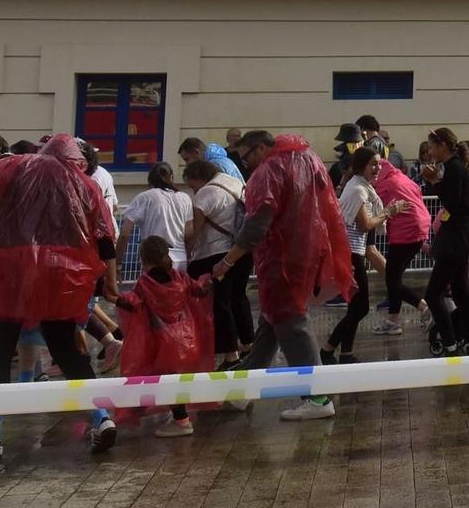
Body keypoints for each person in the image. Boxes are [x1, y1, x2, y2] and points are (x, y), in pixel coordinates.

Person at [0, 134, 117, 460]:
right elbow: (104, 238)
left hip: (8, 274)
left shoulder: (11, 171)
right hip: (60, 276)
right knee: (67, 350)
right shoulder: (84, 185)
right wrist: (111, 281)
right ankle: (101, 417)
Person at [212, 129, 353, 421]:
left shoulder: (270, 170)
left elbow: (258, 223)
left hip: (282, 260)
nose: (246, 164)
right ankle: (244, 390)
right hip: (305, 253)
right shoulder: (306, 158)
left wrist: (227, 262)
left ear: (261, 148)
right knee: (271, 324)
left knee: (292, 324)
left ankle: (317, 397)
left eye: (246, 156)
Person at [114, 234, 213, 438]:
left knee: (161, 379)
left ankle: (181, 421)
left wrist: (113, 296)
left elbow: (133, 303)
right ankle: (140, 408)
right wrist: (212, 277)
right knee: (172, 380)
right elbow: (201, 290)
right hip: (188, 341)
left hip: (163, 345)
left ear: (143, 260)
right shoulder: (180, 278)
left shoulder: (145, 283)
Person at [182, 158, 252, 367]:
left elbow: (196, 231)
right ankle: (249, 345)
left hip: (216, 253)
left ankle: (231, 355)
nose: (192, 190)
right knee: (239, 298)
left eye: (190, 184)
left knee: (221, 304)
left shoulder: (205, 194)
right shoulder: (234, 182)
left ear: (197, 177)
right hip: (242, 250)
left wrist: (187, 255)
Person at [420, 127, 469, 355]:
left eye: (433, 146)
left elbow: (458, 205)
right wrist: (436, 180)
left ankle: (449, 340)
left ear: (443, 146)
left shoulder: (454, 168)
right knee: (459, 290)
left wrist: (435, 182)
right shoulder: (453, 167)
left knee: (433, 294)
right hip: (458, 233)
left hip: (456, 234)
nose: (430, 151)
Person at [328, 147, 394, 363]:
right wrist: (388, 213)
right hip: (350, 253)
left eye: (379, 164)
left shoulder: (360, 186)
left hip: (353, 251)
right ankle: (328, 348)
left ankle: (346, 352)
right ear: (361, 166)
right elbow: (365, 224)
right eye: (373, 164)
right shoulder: (358, 189)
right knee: (361, 307)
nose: (378, 168)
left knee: (355, 307)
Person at [372, 152, 431, 335]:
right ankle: (393, 321)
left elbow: (373, 207)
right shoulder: (401, 178)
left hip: (404, 230)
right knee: (394, 276)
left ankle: (424, 307)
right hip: (419, 227)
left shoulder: (382, 184)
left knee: (392, 279)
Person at [116, 162, 192, 273]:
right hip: (180, 258)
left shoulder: (145, 197)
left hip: (154, 260)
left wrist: (118, 262)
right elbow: (189, 233)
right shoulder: (185, 198)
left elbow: (124, 235)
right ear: (171, 177)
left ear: (150, 179)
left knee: (152, 290)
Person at [79, 139, 119, 243]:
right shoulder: (104, 172)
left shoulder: (91, 179)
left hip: (99, 234)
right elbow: (115, 206)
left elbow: (91, 209)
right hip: (109, 229)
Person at [178, 136, 243, 182]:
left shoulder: (214, 165)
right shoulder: (221, 160)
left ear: (196, 152)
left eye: (187, 159)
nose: (187, 164)